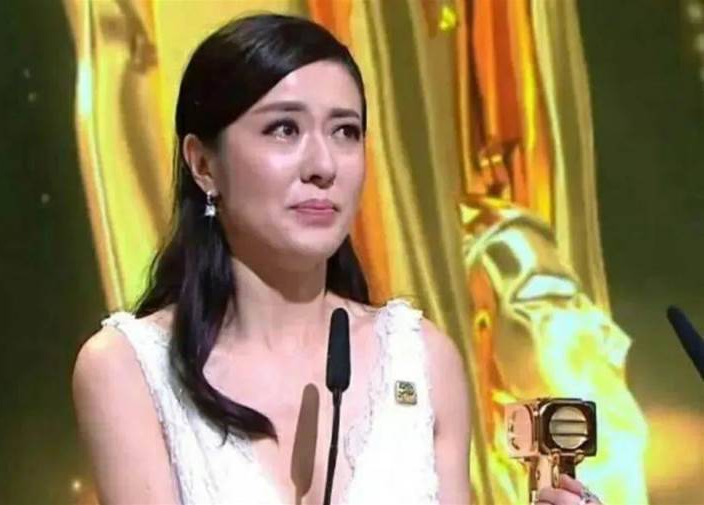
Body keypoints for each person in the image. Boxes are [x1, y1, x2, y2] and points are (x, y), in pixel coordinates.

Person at [72, 13, 601, 505]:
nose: (323, 165)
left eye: (345, 131)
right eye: (285, 129)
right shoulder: (128, 370)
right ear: (203, 164)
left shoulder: (421, 359)